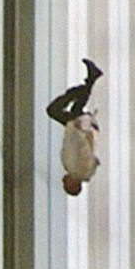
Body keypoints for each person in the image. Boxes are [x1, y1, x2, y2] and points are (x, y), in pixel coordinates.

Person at [46, 58, 103, 196]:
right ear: (73, 185)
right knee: (54, 110)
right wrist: (79, 130)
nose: (63, 181)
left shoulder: (76, 170)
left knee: (76, 107)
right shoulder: (79, 170)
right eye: (66, 185)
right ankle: (86, 85)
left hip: (79, 129)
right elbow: (83, 150)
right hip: (79, 129)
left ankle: (89, 81)